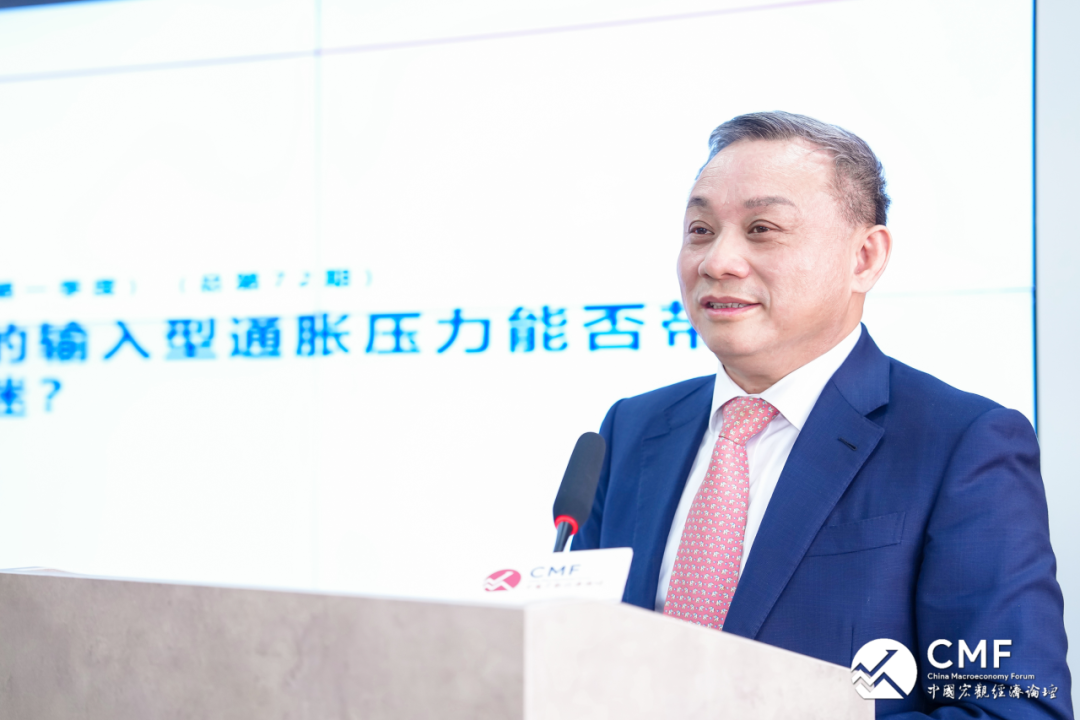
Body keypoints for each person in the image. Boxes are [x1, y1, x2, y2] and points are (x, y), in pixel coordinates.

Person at [572, 111, 1072, 719]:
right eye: (700, 230)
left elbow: (1013, 709)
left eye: (762, 229)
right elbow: (574, 664)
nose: (718, 261)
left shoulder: (961, 443)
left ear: (864, 257)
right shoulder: (632, 430)